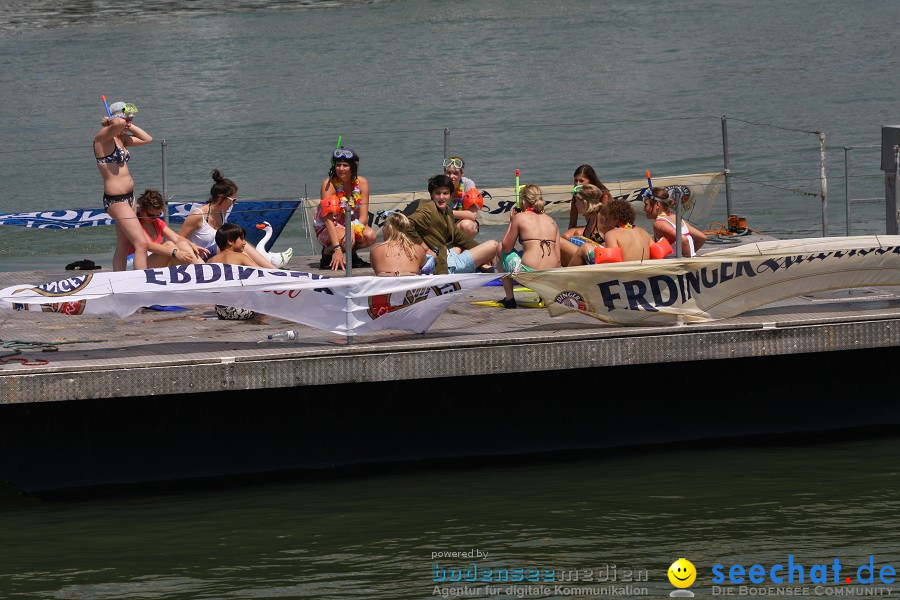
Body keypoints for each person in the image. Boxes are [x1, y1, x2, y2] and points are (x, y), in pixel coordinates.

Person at [93, 101, 154, 271]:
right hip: (116, 200)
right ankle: (142, 283)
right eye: (128, 119)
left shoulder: (121, 139)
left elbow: (147, 139)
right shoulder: (102, 138)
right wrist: (111, 122)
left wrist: (129, 125)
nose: (128, 123)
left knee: (124, 244)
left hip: (129, 197)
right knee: (141, 243)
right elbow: (118, 123)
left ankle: (119, 279)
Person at [179, 169, 277, 268]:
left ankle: (272, 270)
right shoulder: (197, 215)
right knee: (237, 247)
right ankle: (263, 271)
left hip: (215, 252)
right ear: (221, 197)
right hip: (200, 256)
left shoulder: (223, 212)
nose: (233, 203)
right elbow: (179, 239)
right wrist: (193, 245)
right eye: (233, 200)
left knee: (241, 244)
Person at [406, 174, 499, 275]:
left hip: (446, 255)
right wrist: (426, 249)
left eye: (445, 193)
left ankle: (482, 264)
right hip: (444, 265)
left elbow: (459, 237)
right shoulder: (428, 209)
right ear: (431, 195)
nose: (442, 197)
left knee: (461, 245)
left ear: (450, 195)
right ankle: (482, 265)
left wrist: (483, 252)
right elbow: (406, 225)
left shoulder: (447, 211)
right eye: (438, 193)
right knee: (493, 245)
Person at [497, 184, 561, 308]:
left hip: (528, 275)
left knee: (499, 247)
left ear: (524, 202)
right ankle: (544, 296)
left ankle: (509, 298)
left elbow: (506, 248)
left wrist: (512, 221)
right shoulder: (552, 221)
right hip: (550, 276)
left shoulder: (519, 218)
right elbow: (558, 259)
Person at [315, 146, 377, 270]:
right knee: (348, 238)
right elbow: (328, 220)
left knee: (371, 236)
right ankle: (328, 253)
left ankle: (351, 254)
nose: (341, 169)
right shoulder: (328, 184)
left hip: (351, 224)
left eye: (345, 165)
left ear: (352, 167)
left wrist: (352, 229)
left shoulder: (362, 183)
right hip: (329, 226)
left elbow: (363, 217)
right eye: (338, 165)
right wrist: (337, 248)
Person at [132, 189, 206, 268]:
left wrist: (192, 245)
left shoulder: (156, 222)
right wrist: (175, 252)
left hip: (154, 261)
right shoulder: (135, 223)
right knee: (169, 245)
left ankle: (204, 270)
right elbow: (149, 245)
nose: (154, 218)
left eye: (158, 214)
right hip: (137, 262)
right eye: (151, 215)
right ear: (141, 209)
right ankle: (194, 274)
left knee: (182, 244)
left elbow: (176, 238)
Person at [570, 199, 653, 265]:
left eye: (607, 219)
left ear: (616, 219)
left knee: (585, 247)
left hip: (623, 276)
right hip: (643, 272)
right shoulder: (643, 231)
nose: (605, 222)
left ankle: (565, 278)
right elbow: (655, 252)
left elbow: (613, 261)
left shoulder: (611, 234)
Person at [207, 223, 260, 320]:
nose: (244, 243)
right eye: (242, 239)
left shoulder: (211, 261)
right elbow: (262, 273)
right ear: (230, 241)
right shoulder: (240, 257)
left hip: (221, 311)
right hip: (241, 311)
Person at [643, 187, 707, 257]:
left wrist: (687, 261)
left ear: (657, 205)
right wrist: (692, 254)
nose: (644, 209)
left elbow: (683, 240)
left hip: (675, 266)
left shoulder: (659, 224)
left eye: (646, 205)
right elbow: (702, 237)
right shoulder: (676, 218)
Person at [369, 212, 426, 276]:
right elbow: (423, 267)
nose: (382, 229)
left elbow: (376, 268)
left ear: (388, 228)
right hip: (410, 285)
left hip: (387, 285)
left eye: (384, 225)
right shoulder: (418, 250)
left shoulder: (376, 250)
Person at [561, 184, 605, 266]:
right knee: (569, 237)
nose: (575, 204)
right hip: (591, 255)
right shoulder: (592, 217)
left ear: (584, 203)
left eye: (577, 201)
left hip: (601, 258)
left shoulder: (602, 218)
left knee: (559, 241)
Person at [443, 156, 481, 238]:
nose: (451, 176)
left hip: (462, 223)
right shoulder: (439, 185)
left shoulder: (468, 184)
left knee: (467, 225)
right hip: (446, 224)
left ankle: (467, 247)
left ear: (462, 174)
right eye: (448, 173)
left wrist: (448, 212)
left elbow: (472, 215)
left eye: (455, 173)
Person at [567, 164, 612, 230]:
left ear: (590, 181)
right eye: (576, 180)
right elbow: (572, 222)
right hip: (590, 228)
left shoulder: (603, 195)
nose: (577, 184)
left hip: (604, 229)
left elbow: (602, 222)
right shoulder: (577, 195)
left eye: (581, 181)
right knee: (567, 235)